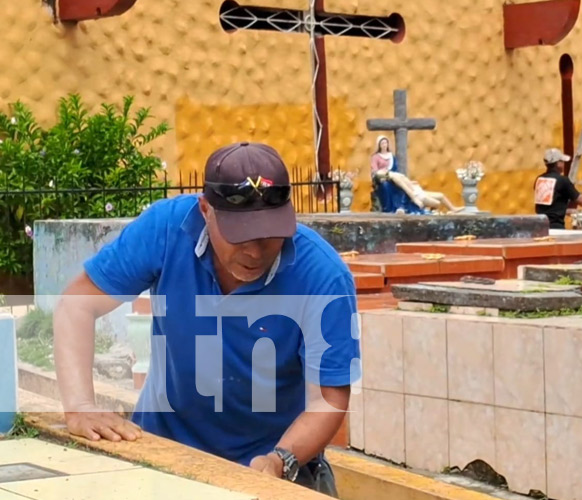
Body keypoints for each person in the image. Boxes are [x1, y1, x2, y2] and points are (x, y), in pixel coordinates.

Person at [52, 142, 360, 497]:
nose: (254, 251)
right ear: (205, 210)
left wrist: (278, 461)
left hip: (275, 469)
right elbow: (77, 304)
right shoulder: (166, 230)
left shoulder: (323, 276)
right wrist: (79, 408)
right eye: (240, 234)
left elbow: (329, 400)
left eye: (269, 235)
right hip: (164, 456)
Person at [534, 148, 582, 229]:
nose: (564, 164)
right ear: (558, 163)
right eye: (562, 161)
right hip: (555, 228)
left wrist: (565, 211)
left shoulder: (539, 180)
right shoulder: (563, 181)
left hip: (540, 227)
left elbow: (548, 207)